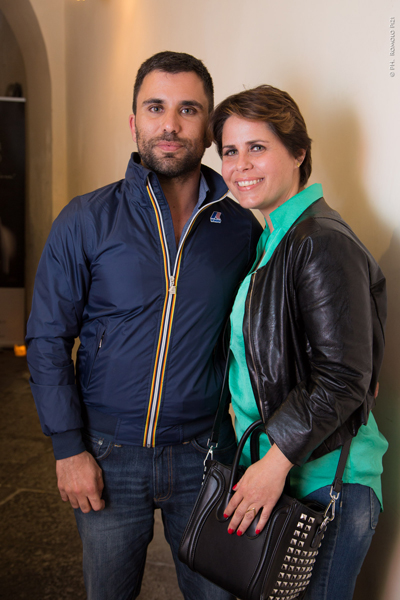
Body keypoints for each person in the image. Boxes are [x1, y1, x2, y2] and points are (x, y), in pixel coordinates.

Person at [26, 51, 262, 600]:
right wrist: (68, 448)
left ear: (209, 127)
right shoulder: (86, 218)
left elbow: (267, 328)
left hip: (205, 454)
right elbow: (47, 339)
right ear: (134, 121)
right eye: (156, 108)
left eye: (188, 110)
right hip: (107, 453)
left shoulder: (240, 230)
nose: (170, 124)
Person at [209, 85, 388, 600]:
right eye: (230, 150)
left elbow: (343, 378)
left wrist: (272, 465)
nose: (241, 165)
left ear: (298, 153)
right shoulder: (276, 238)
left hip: (325, 483)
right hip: (288, 474)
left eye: (257, 147)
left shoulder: (319, 240)